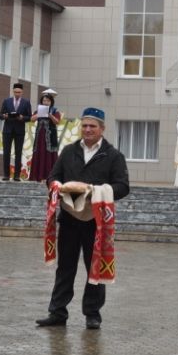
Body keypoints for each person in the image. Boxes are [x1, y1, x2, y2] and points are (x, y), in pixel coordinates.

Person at [36, 107, 131, 329]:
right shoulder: (69, 151)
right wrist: (57, 186)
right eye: (85, 125)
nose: (87, 130)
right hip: (69, 219)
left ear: (102, 129)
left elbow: (123, 186)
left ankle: (92, 314)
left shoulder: (113, 155)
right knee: (65, 268)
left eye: (92, 126)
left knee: (94, 268)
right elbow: (53, 176)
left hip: (96, 223)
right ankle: (57, 312)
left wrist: (96, 191)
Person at [0, 82, 32, 181]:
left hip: (19, 131)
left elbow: (29, 117)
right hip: (7, 130)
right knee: (6, 152)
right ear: (13, 91)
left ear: (22, 92)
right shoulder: (6, 101)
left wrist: (22, 117)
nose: (17, 94)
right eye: (16, 92)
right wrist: (4, 116)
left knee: (18, 152)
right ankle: (6, 175)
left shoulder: (26, 102)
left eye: (19, 92)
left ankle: (17, 175)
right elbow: (0, 115)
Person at [29, 88, 62, 183]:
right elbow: (32, 119)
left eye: (48, 100)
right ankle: (37, 177)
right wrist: (40, 113)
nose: (46, 102)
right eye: (44, 100)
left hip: (50, 137)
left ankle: (50, 177)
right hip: (40, 137)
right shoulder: (38, 110)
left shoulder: (55, 111)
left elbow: (57, 121)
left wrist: (50, 114)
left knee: (49, 155)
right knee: (39, 153)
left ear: (51, 102)